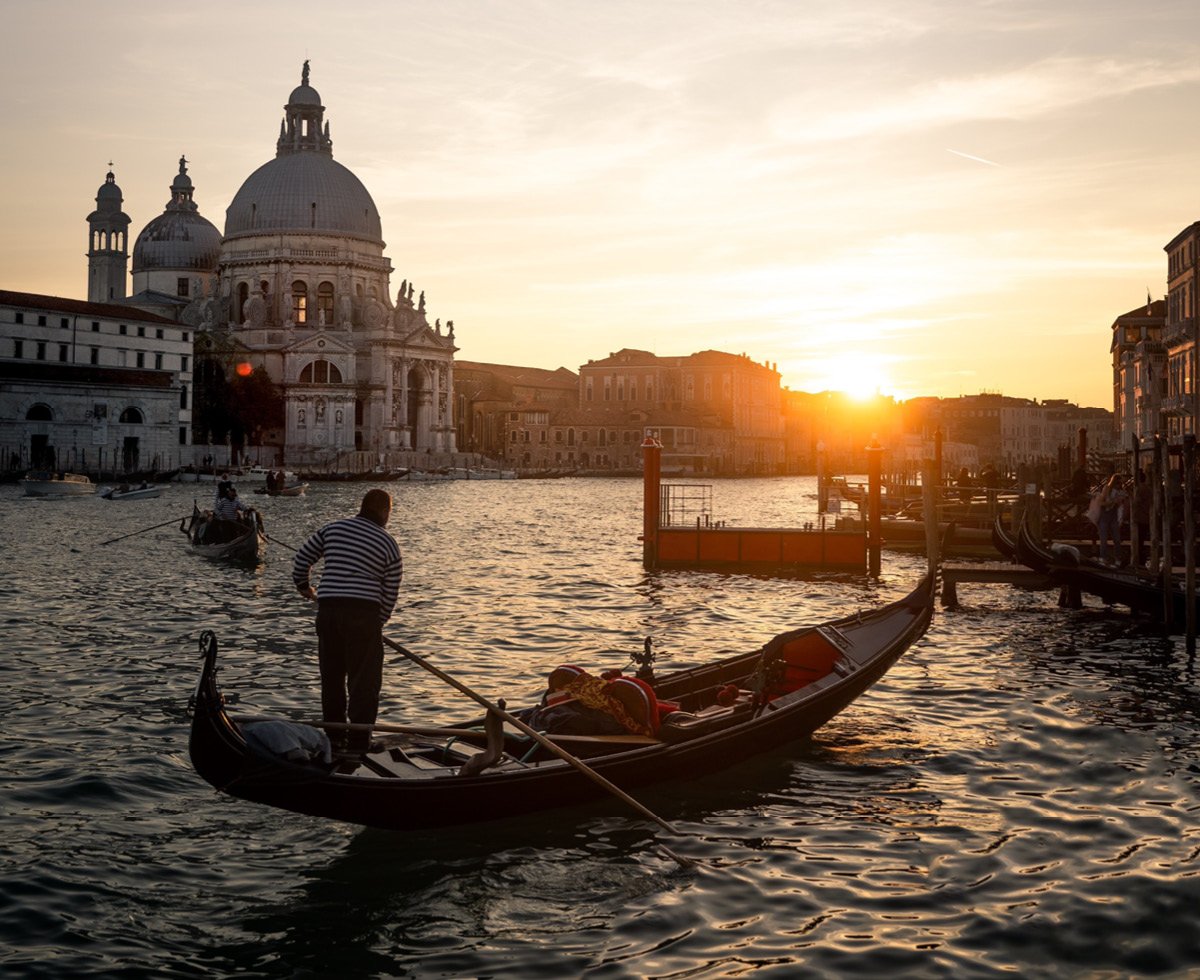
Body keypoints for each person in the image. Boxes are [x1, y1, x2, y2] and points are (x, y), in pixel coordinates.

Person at [292, 489, 403, 752]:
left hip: (328, 612)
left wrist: (305, 587)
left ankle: (334, 738)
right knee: (364, 682)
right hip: (364, 616)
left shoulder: (333, 529)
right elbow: (391, 590)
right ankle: (359, 742)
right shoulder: (388, 543)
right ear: (385, 512)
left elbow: (302, 558)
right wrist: (379, 622)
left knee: (332, 678)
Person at [1094, 473, 1128, 566]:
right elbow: (1101, 503)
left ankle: (1118, 558)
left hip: (1114, 516)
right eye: (1117, 483)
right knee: (1103, 539)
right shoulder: (1107, 489)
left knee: (1117, 539)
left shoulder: (1120, 490)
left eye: (1120, 484)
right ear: (1114, 482)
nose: (1119, 485)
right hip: (1104, 515)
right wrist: (1113, 501)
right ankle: (1103, 558)